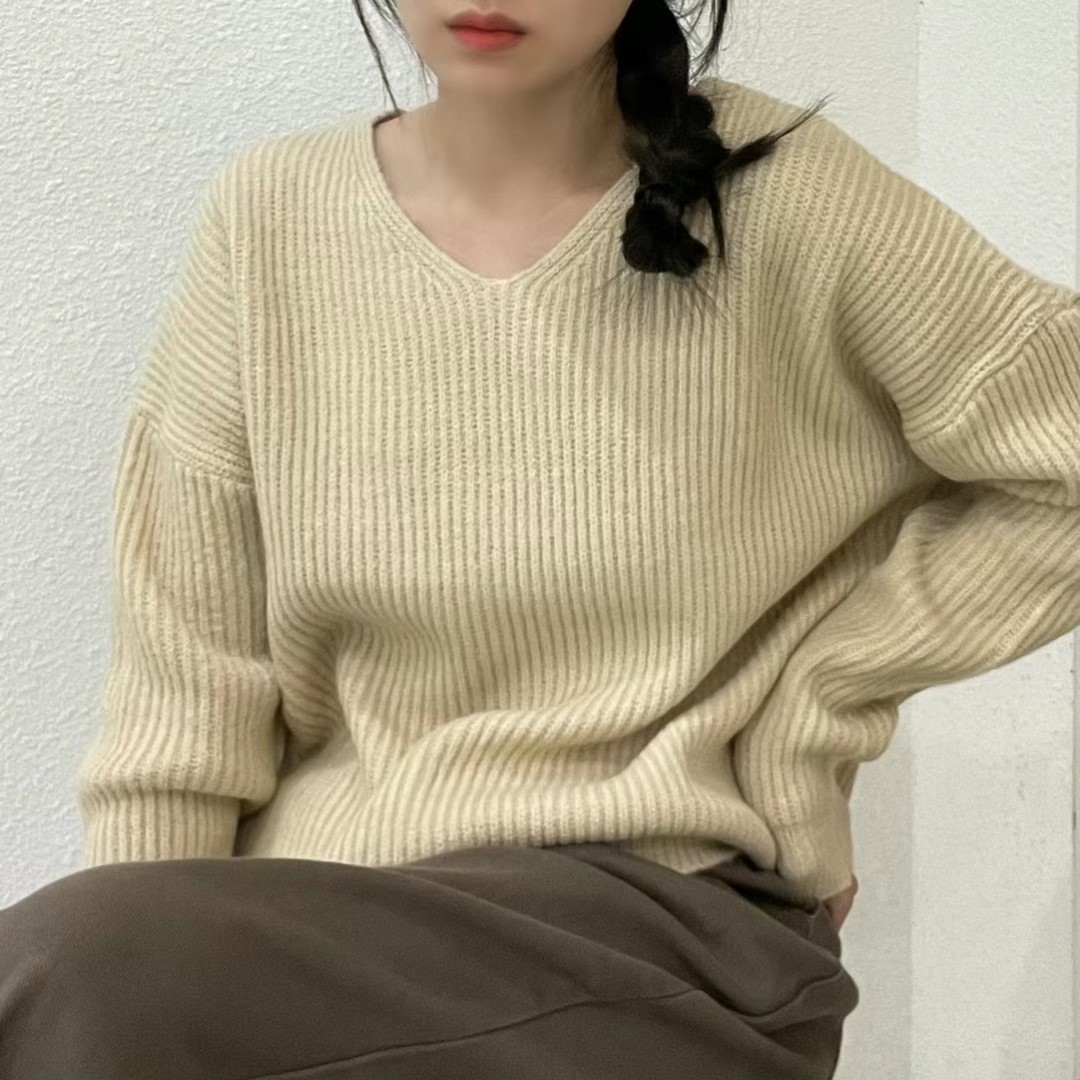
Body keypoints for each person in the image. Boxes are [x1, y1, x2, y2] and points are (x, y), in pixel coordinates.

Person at [2, 1, 1076, 1078]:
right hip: (332, 939)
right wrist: (141, 965)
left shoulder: (782, 193)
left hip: (667, 920)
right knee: (75, 972)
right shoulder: (270, 219)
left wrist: (817, 710)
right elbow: (183, 693)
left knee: (60, 968)